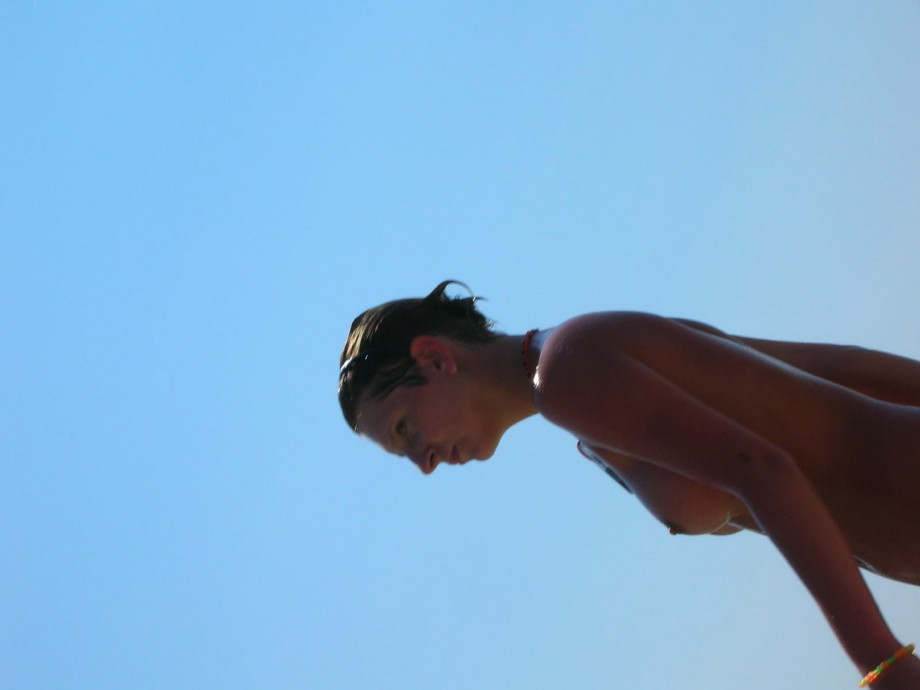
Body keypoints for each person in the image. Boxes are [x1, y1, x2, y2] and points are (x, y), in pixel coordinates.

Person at [338, 280, 920, 689]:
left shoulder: (568, 372)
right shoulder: (585, 389)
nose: (425, 463)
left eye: (404, 430)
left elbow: (760, 469)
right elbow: (837, 368)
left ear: (434, 358)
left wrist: (882, 662)